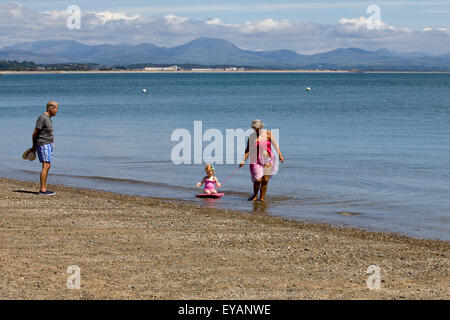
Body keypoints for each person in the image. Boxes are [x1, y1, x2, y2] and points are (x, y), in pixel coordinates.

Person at [240, 119, 284, 202]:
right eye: (254, 129)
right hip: (255, 160)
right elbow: (248, 150)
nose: (256, 130)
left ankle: (262, 198)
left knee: (265, 180)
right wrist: (243, 160)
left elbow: (275, 145)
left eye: (257, 129)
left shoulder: (268, 134)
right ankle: (255, 195)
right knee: (257, 180)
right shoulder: (252, 137)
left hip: (267, 159)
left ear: (261, 127)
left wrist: (280, 155)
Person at [32, 101, 59, 195]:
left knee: (48, 165)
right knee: (45, 165)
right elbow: (35, 132)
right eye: (56, 108)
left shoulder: (48, 118)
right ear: (51, 108)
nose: (57, 111)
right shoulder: (42, 118)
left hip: (48, 144)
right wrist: (34, 146)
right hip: (43, 144)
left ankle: (44, 188)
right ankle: (43, 189)